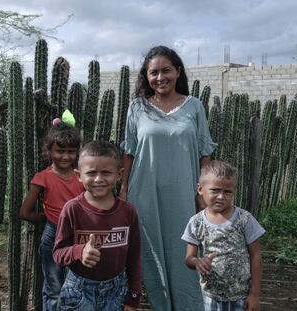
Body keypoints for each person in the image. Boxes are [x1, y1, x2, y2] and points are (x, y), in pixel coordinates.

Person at [119, 45, 216, 310]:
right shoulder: (137, 108)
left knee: (185, 249)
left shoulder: (194, 106)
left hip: (183, 192)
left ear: (178, 72)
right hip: (145, 192)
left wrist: (202, 191)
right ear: (146, 77)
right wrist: (124, 188)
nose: (159, 77)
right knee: (151, 255)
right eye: (153, 73)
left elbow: (204, 151)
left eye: (166, 71)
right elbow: (128, 151)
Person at [53, 140, 142, 311]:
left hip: (116, 292)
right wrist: (79, 251)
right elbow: (58, 253)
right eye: (91, 173)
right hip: (78, 292)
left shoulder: (128, 212)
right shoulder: (72, 209)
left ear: (119, 174)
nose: (98, 179)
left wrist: (134, 297)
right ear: (78, 175)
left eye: (106, 172)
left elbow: (134, 257)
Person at [182, 160, 265, 311]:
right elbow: (189, 258)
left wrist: (254, 294)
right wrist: (197, 262)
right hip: (210, 296)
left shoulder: (244, 219)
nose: (221, 196)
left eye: (227, 192)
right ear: (200, 189)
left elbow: (256, 255)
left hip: (241, 296)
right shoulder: (196, 222)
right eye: (215, 190)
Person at [19, 121, 84, 311]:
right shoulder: (43, 178)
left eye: (71, 151)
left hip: (80, 236)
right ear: (48, 151)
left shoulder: (82, 176)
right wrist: (48, 218)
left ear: (77, 152)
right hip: (53, 235)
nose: (65, 156)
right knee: (54, 287)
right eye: (60, 151)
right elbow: (24, 212)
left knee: (77, 286)